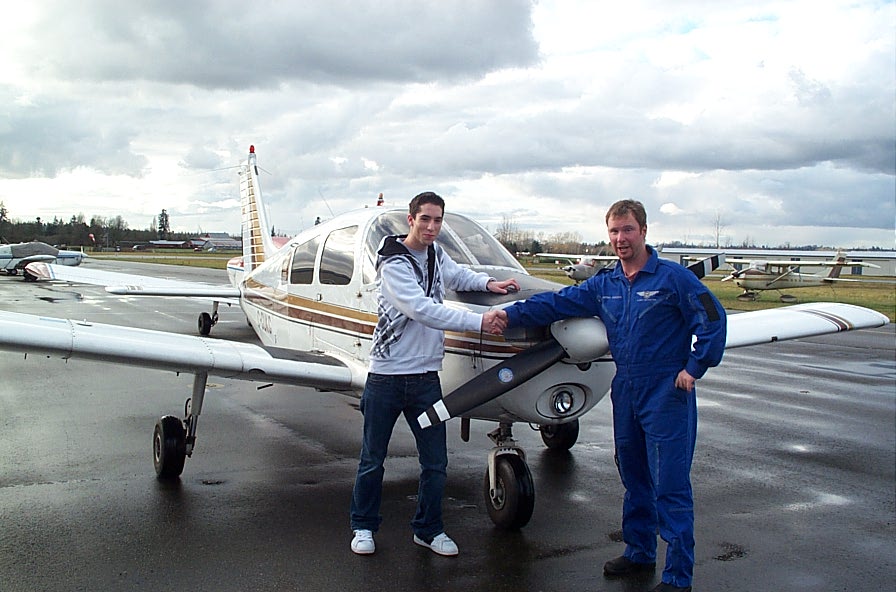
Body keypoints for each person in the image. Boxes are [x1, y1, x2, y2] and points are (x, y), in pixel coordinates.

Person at [495, 199, 726, 592]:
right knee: (633, 473)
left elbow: (713, 319)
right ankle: (639, 552)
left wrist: (694, 367)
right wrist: (510, 314)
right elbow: (556, 303)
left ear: (644, 231)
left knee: (669, 483)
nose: (620, 239)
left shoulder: (673, 279)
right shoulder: (606, 284)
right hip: (628, 388)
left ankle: (678, 576)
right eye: (614, 232)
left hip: (666, 390)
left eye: (628, 230)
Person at [350, 191, 517, 557]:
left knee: (436, 463)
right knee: (372, 459)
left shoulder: (435, 254)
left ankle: (427, 529)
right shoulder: (393, 264)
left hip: (426, 378)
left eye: (438, 220)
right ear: (411, 220)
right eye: (425, 219)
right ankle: (363, 526)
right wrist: (479, 321)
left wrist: (489, 285)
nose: (431, 227)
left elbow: (456, 274)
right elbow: (422, 309)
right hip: (387, 378)